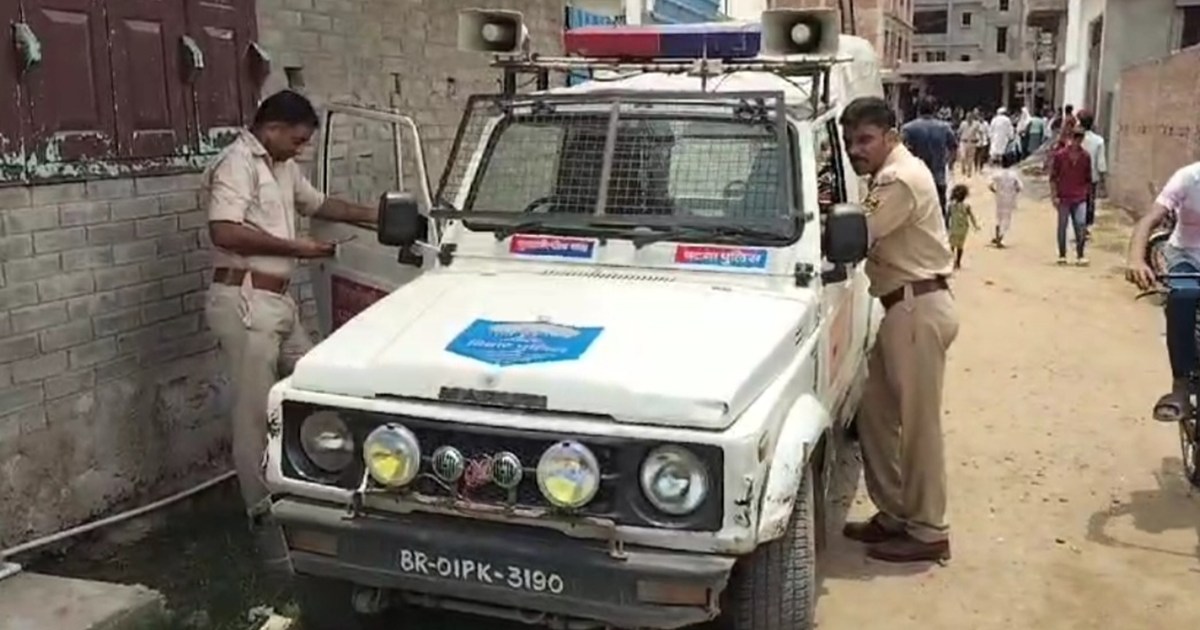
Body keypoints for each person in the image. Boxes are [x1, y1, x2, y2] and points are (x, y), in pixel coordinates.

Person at [203, 90, 378, 574]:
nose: (299, 150)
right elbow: (224, 230)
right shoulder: (238, 163)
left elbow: (321, 203)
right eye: (297, 140)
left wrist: (378, 216)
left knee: (318, 389)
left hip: (277, 302)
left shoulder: (279, 167)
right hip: (245, 301)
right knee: (254, 418)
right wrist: (297, 247)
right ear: (273, 127)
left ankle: (316, 495)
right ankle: (267, 531)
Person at [838, 96, 959, 563]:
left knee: (919, 428)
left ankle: (929, 531)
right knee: (874, 413)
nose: (855, 149)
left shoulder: (897, 179)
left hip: (916, 309)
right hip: (904, 308)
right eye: (850, 141)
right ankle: (895, 512)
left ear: (891, 136)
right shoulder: (888, 176)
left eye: (865, 139)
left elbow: (853, 236)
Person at [1126, 161, 1200, 423]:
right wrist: (1136, 259)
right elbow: (1150, 220)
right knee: (1183, 296)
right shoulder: (1189, 178)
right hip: (1187, 258)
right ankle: (1180, 385)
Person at [901, 96, 959, 223]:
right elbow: (954, 148)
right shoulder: (944, 127)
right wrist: (950, 164)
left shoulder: (908, 128)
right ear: (935, 110)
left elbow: (902, 151)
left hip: (915, 178)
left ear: (918, 109)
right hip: (938, 176)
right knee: (939, 211)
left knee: (915, 214)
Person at [1048, 128, 1093, 266]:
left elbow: (1088, 178)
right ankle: (1062, 254)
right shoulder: (1060, 156)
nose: (1077, 141)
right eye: (1075, 138)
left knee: (1080, 224)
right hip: (1064, 196)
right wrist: (1054, 195)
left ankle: (1080, 254)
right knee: (1062, 226)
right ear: (1070, 138)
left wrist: (1088, 195)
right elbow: (1053, 177)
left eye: (1080, 139)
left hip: (1080, 196)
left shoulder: (1085, 156)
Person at [1077, 109, 1107, 236]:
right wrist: (1103, 179)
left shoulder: (1076, 139)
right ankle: (1085, 226)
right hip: (1091, 177)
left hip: (1075, 176)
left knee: (1077, 200)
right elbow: (1101, 163)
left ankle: (1077, 224)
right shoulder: (1098, 140)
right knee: (1089, 202)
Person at [989, 162, 1024, 247]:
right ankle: (999, 238)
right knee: (1006, 220)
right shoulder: (1013, 174)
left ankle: (997, 236)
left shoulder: (997, 173)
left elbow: (989, 184)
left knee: (999, 218)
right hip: (1009, 200)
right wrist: (1014, 193)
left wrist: (995, 191)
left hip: (999, 199)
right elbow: (1020, 187)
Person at [946, 184, 980, 269]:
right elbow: (971, 216)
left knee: (952, 245)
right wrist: (975, 225)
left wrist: (945, 226)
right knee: (960, 246)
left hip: (953, 228)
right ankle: (958, 262)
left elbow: (947, 217)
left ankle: (951, 261)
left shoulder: (951, 206)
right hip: (963, 228)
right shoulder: (966, 206)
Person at [957, 113, 981, 178]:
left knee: (970, 158)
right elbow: (959, 132)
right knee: (963, 157)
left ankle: (969, 172)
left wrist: (978, 139)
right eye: (968, 117)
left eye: (970, 117)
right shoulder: (963, 124)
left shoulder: (976, 124)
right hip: (963, 141)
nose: (969, 118)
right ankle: (963, 168)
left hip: (972, 142)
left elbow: (979, 132)